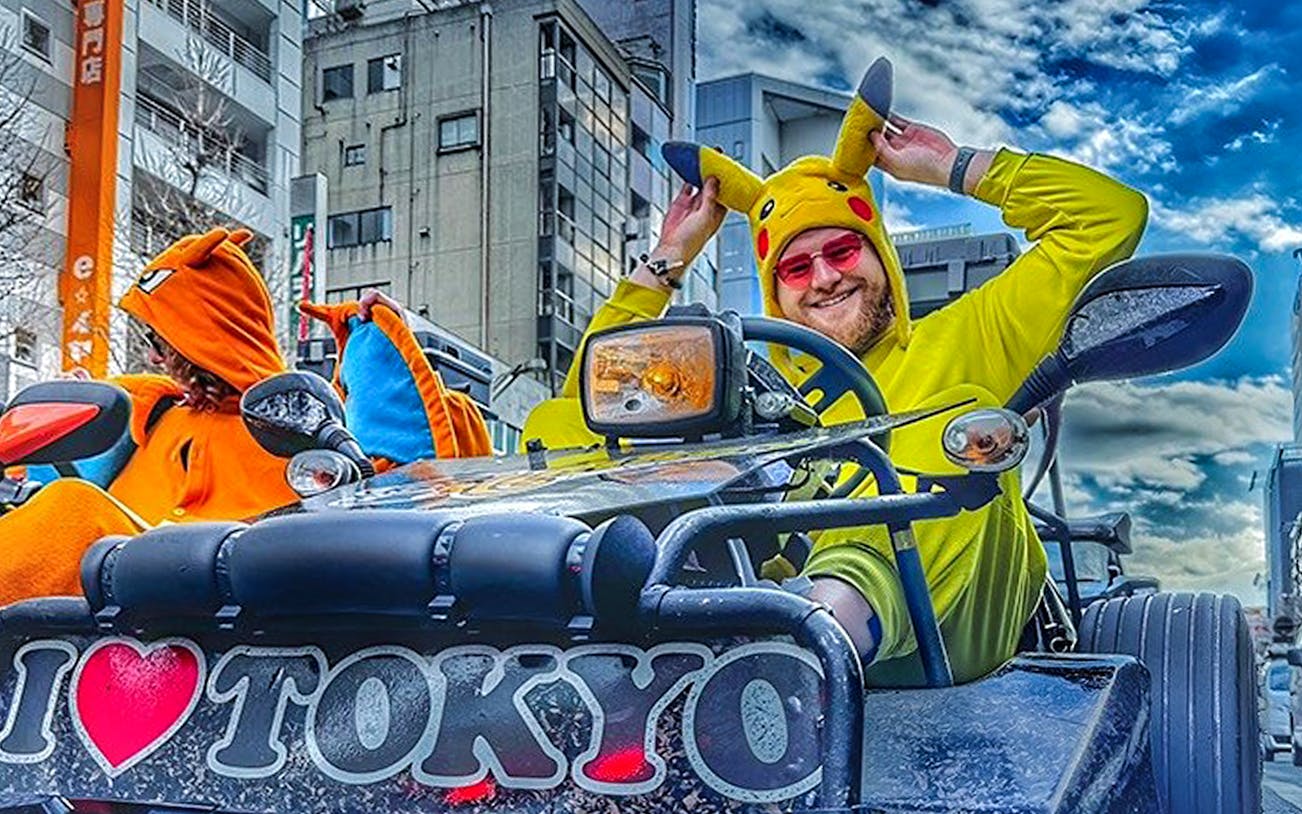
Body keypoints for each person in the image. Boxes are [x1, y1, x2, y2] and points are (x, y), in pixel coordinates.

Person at [523, 59, 1148, 685]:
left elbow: (1108, 216)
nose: (824, 277)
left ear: (879, 254)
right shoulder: (755, 395)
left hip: (949, 649)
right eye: (795, 269)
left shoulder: (973, 332)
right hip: (769, 620)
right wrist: (668, 258)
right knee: (568, 432)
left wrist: (951, 166)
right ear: (777, 293)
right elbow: (587, 409)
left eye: (842, 250)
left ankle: (803, 650)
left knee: (959, 419)